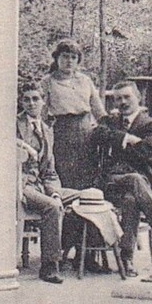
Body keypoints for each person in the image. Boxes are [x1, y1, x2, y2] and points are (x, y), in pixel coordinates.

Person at [90, 80, 152, 278]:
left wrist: (117, 143)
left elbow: (147, 152)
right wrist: (126, 138)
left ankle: (126, 258)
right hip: (110, 183)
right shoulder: (109, 122)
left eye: (127, 97)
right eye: (118, 98)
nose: (123, 102)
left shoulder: (151, 124)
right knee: (134, 180)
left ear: (139, 98)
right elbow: (97, 135)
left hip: (137, 187)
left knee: (131, 198)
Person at [39, 39, 107, 190]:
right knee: (64, 172)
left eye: (73, 57)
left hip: (86, 131)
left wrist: (108, 127)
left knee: (87, 171)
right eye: (65, 56)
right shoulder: (47, 82)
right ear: (57, 58)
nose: (69, 61)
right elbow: (41, 113)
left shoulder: (85, 80)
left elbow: (98, 110)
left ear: (78, 60)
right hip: (61, 132)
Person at [16, 83, 66, 284]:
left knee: (84, 196)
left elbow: (50, 171)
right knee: (52, 207)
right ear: (21, 102)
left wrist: (55, 192)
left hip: (41, 184)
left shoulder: (47, 129)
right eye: (26, 99)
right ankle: (49, 267)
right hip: (21, 184)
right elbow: (1, 139)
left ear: (43, 101)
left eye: (35, 99)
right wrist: (24, 145)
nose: (31, 103)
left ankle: (75, 255)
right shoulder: (14, 123)